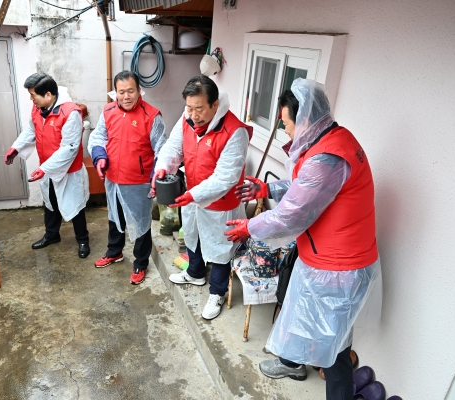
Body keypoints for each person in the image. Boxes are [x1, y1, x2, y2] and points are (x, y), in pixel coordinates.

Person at [225, 78, 382, 400]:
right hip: (327, 258)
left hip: (336, 270)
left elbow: (291, 215)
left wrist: (249, 227)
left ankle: (337, 391)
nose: (286, 132)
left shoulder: (328, 158)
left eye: (286, 124)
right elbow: (307, 189)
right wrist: (267, 189)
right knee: (304, 318)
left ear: (306, 119)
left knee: (334, 347)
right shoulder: (334, 139)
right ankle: (293, 362)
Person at [152, 75, 252, 320]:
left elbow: (225, 178)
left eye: (199, 109)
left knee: (219, 248)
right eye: (189, 107)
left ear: (215, 105)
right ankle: (194, 273)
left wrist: (193, 195)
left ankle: (217, 292)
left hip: (220, 203)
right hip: (192, 195)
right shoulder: (187, 119)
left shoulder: (234, 132)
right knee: (193, 234)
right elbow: (173, 147)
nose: (193, 114)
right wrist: (164, 166)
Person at [88, 71, 166, 285]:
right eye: (121, 92)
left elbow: (162, 149)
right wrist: (99, 156)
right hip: (113, 178)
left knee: (140, 222)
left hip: (139, 181)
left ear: (139, 91)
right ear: (116, 93)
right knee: (115, 216)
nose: (126, 96)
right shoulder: (108, 111)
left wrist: (155, 175)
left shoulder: (152, 116)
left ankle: (141, 262)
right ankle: (115, 251)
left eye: (131, 91)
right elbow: (98, 137)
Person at [5, 72, 90, 258]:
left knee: (74, 206)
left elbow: (70, 148)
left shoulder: (71, 113)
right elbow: (31, 129)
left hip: (68, 171)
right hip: (48, 169)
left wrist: (44, 168)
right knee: (50, 204)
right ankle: (52, 235)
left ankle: (83, 240)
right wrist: (16, 147)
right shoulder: (38, 109)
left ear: (49, 95)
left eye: (33, 95)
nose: (31, 99)